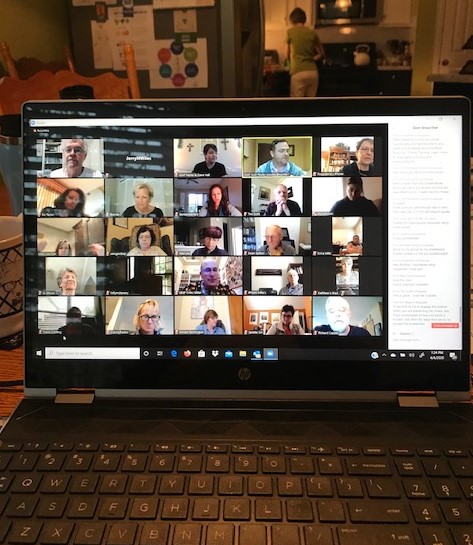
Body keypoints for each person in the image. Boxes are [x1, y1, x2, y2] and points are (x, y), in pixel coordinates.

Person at [286, 7, 325, 98]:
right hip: (312, 72)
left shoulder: (290, 32)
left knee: (297, 103)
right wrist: (313, 58)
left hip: (298, 72)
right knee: (310, 103)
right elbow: (322, 53)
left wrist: (289, 63)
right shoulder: (312, 33)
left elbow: (287, 53)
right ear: (304, 19)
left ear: (292, 20)